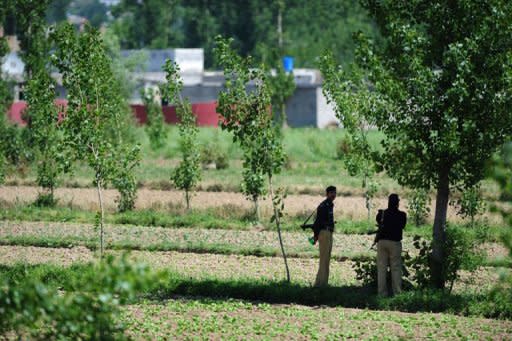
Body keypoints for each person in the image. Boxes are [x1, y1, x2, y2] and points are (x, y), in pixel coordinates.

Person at [376, 193, 407, 296]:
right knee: (396, 268)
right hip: (395, 243)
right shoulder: (402, 215)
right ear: (397, 203)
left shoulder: (382, 214)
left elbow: (378, 221)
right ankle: (397, 293)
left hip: (382, 242)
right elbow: (402, 225)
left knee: (381, 268)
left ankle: (382, 293)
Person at [313, 185, 336, 287]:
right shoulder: (324, 206)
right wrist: (315, 236)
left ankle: (324, 283)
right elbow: (317, 222)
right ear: (327, 194)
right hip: (324, 233)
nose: (333, 195)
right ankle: (319, 284)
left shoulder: (330, 205)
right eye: (331, 193)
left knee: (327, 259)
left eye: (334, 193)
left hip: (329, 233)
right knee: (324, 259)